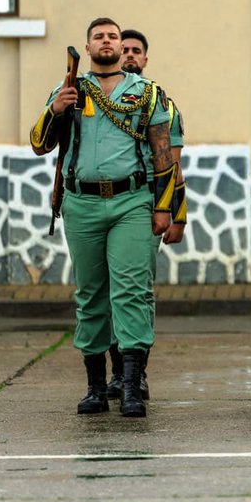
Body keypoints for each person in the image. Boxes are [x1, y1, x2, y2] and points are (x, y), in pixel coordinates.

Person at [30, 17, 175, 417]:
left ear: (120, 44)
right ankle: (95, 387)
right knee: (91, 295)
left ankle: (130, 386)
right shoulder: (70, 90)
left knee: (130, 292)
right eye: (99, 37)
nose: (107, 42)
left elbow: (163, 155)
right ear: (88, 46)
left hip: (131, 202)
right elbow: (39, 144)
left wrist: (164, 207)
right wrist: (56, 110)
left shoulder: (147, 92)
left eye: (113, 36)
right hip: (82, 204)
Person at [100, 28, 187, 401]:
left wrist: (177, 213)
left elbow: (173, 164)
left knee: (135, 292)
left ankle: (136, 371)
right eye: (126, 49)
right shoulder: (101, 98)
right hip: (107, 204)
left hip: (147, 206)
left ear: (146, 59)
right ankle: (117, 370)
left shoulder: (160, 102)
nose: (130, 55)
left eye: (137, 50)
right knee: (105, 292)